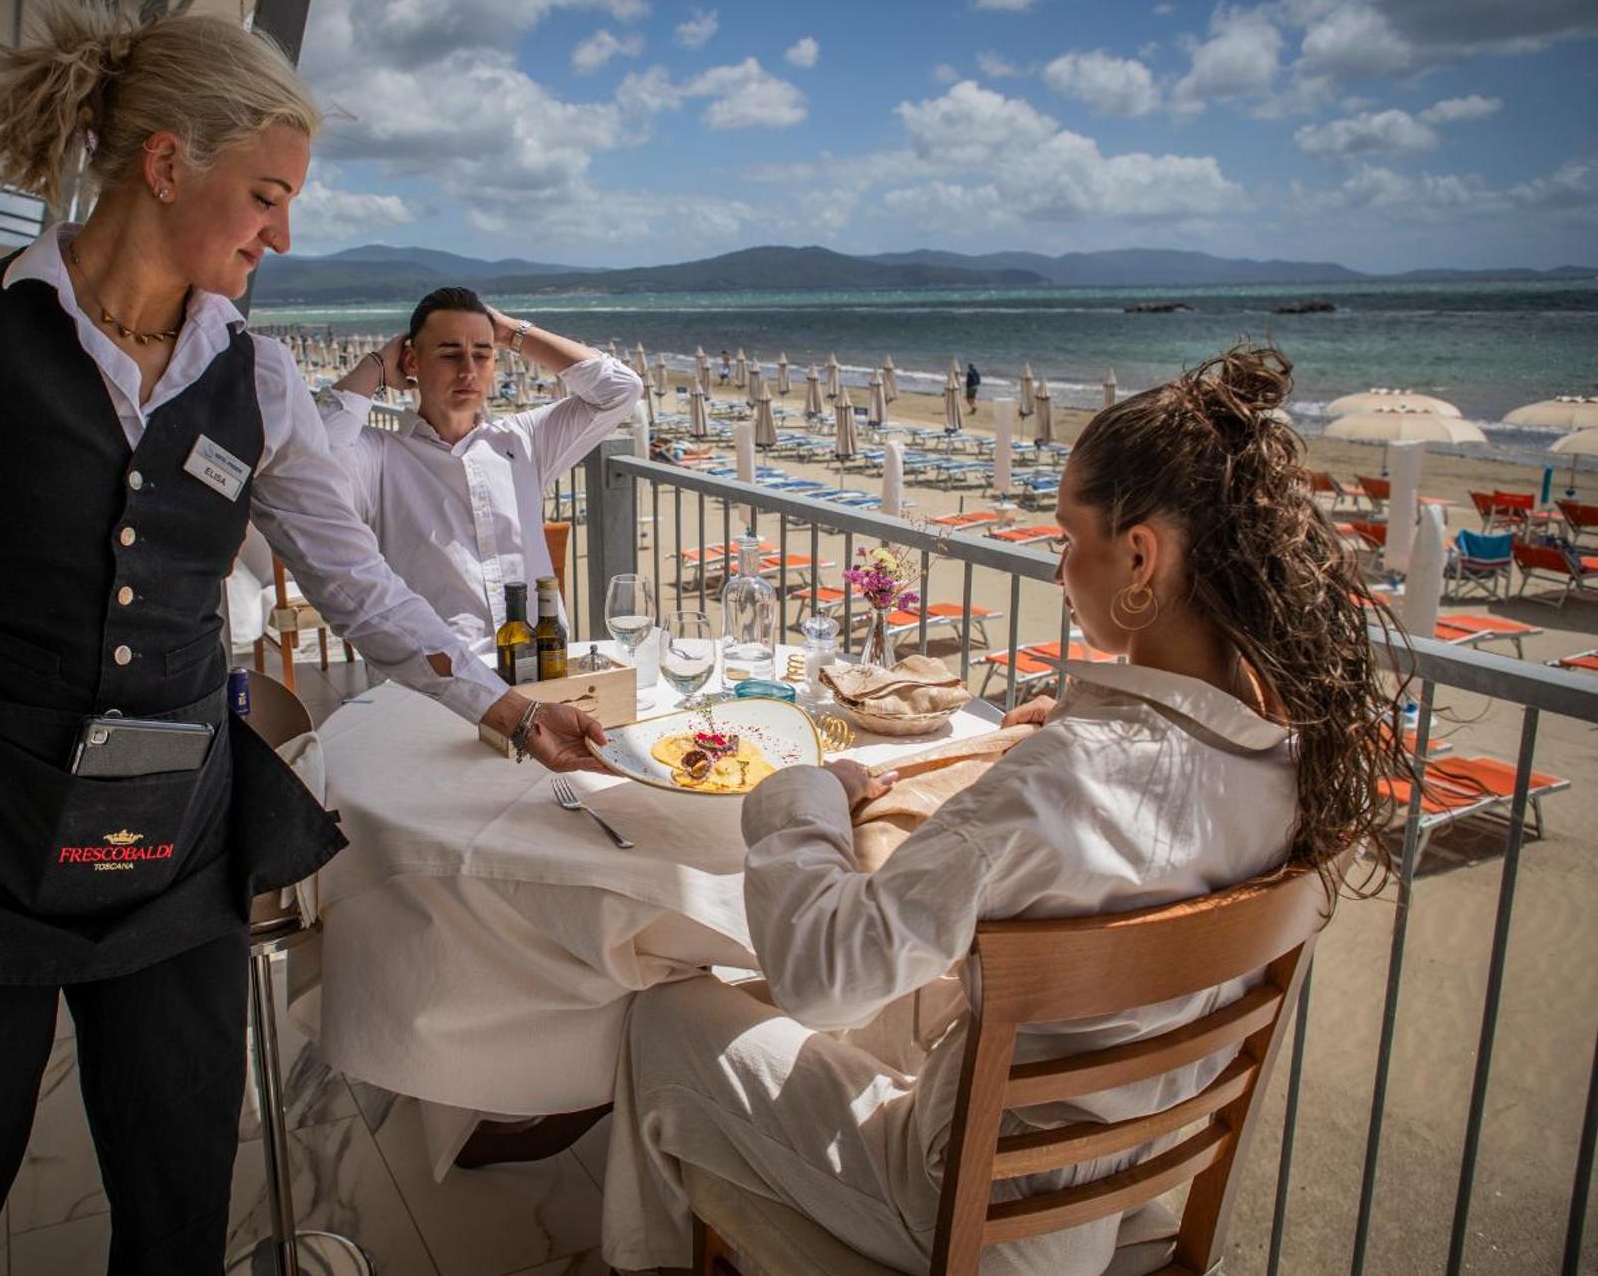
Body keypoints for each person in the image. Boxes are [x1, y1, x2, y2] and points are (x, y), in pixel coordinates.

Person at [0, 0, 601, 1275]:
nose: (283, 233)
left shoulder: (254, 375)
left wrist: (508, 706)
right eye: (266, 194)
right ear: (164, 163)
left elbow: (358, 583)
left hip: (172, 825)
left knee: (179, 1158)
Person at [601, 344, 1409, 1273]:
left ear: (1139, 554)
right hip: (1130, 1179)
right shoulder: (1281, 758)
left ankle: (651, 1257)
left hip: (981, 1218)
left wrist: (804, 793)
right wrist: (1069, 728)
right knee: (901, 984)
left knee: (665, 1013)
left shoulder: (1065, 782)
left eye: (1072, 536)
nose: (1062, 564)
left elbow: (822, 974)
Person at [318, 287, 639, 645]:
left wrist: (510, 333)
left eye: (482, 355)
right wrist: (375, 366)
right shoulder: (378, 455)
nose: (468, 371)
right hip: (438, 683)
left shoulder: (522, 441)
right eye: (450, 354)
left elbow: (621, 389)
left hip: (539, 669)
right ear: (412, 362)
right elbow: (315, 454)